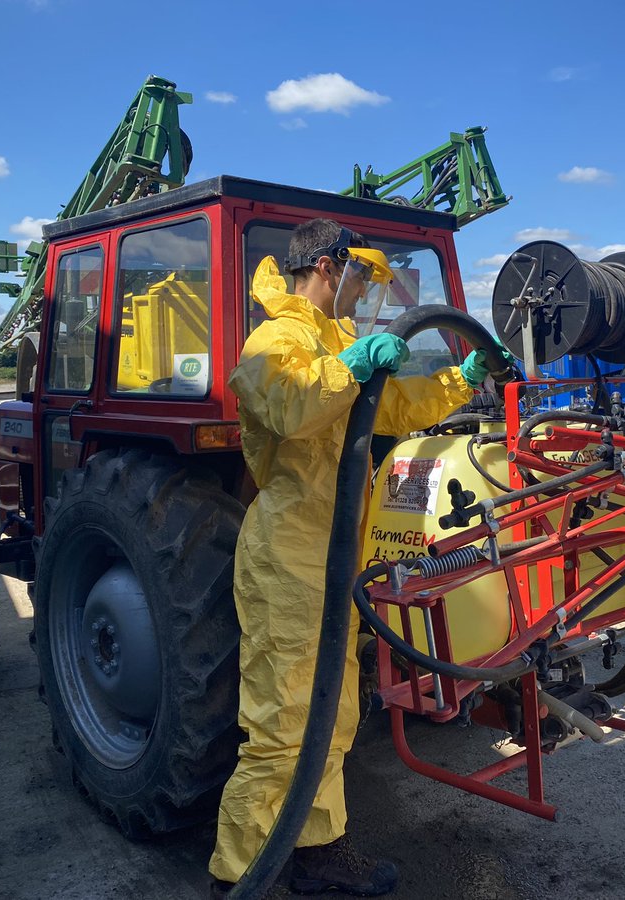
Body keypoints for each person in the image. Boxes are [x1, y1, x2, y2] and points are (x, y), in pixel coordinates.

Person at [210, 218, 497, 897]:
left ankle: (316, 851)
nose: (366, 294)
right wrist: (352, 364)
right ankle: (237, 876)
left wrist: (462, 379)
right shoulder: (276, 337)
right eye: (361, 278)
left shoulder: (338, 341)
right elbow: (287, 407)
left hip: (334, 553)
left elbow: (395, 404)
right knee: (283, 726)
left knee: (332, 716)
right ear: (329, 267)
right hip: (288, 556)